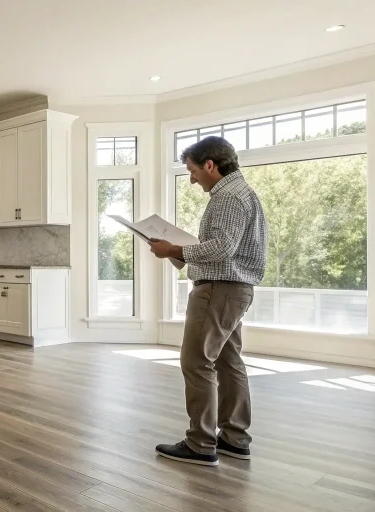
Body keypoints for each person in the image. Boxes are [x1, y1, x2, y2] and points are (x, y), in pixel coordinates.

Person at [147, 136, 268, 467]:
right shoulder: (242, 193)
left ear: (210, 165)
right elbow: (224, 245)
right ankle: (234, 438)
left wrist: (173, 249)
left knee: (196, 362)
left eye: (192, 170)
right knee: (229, 362)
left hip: (219, 289)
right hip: (233, 289)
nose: (191, 178)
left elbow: (222, 247)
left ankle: (200, 443)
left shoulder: (226, 197)